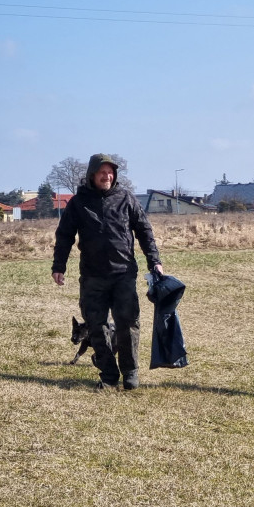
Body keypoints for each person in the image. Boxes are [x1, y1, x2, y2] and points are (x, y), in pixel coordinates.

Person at [52, 153, 165, 390]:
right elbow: (64, 236)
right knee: (96, 326)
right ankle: (109, 374)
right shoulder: (78, 203)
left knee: (128, 323)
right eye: (103, 172)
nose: (108, 176)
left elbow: (144, 230)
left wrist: (154, 261)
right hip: (92, 276)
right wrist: (59, 266)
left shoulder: (126, 198)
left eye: (111, 172)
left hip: (123, 273)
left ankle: (131, 372)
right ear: (92, 175)